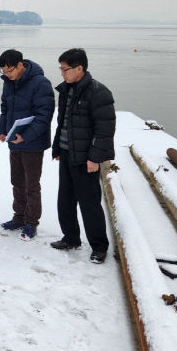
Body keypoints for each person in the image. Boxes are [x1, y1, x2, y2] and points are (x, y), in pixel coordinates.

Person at [50, 48, 115, 263]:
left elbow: (104, 130)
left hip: (86, 158)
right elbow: (64, 122)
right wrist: (58, 148)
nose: (62, 73)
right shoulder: (66, 90)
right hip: (67, 153)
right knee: (65, 200)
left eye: (65, 69)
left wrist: (94, 158)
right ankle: (70, 238)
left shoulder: (98, 92)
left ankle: (99, 246)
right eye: (61, 68)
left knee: (90, 203)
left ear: (80, 68)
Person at [0, 49, 54, 240]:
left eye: (9, 71)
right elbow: (5, 108)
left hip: (33, 144)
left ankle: (31, 223)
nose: (7, 75)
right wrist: (2, 130)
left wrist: (26, 136)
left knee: (31, 185)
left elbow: (44, 116)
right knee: (17, 182)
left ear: (20, 65)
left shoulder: (41, 83)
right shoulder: (8, 82)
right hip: (14, 141)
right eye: (3, 72)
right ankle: (19, 216)